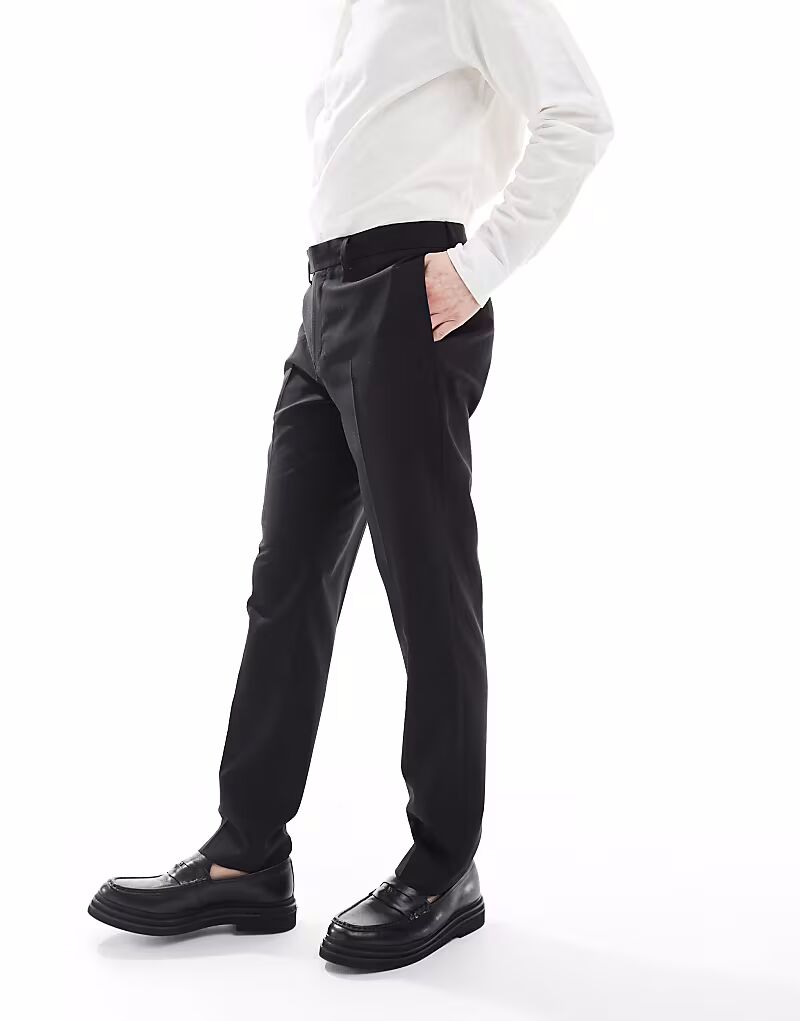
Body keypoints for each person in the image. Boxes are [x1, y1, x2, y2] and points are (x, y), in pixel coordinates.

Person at [88, 0, 613, 971]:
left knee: (426, 586)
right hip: (324, 302)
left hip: (411, 293)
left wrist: (479, 266)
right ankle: (247, 855)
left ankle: (444, 864)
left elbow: (579, 114)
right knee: (286, 580)